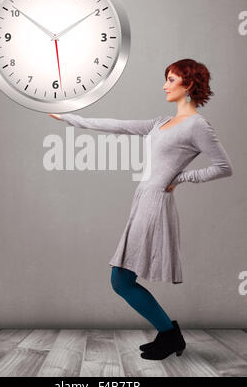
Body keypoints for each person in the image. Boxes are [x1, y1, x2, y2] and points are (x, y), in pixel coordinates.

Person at [48, 58, 233, 360]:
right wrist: (71, 119)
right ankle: (168, 333)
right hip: (143, 201)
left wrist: (183, 178)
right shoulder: (161, 122)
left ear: (188, 84)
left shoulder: (198, 126)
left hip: (156, 204)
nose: (164, 85)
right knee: (125, 279)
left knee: (121, 280)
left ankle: (170, 335)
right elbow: (117, 126)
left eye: (171, 80)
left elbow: (225, 167)